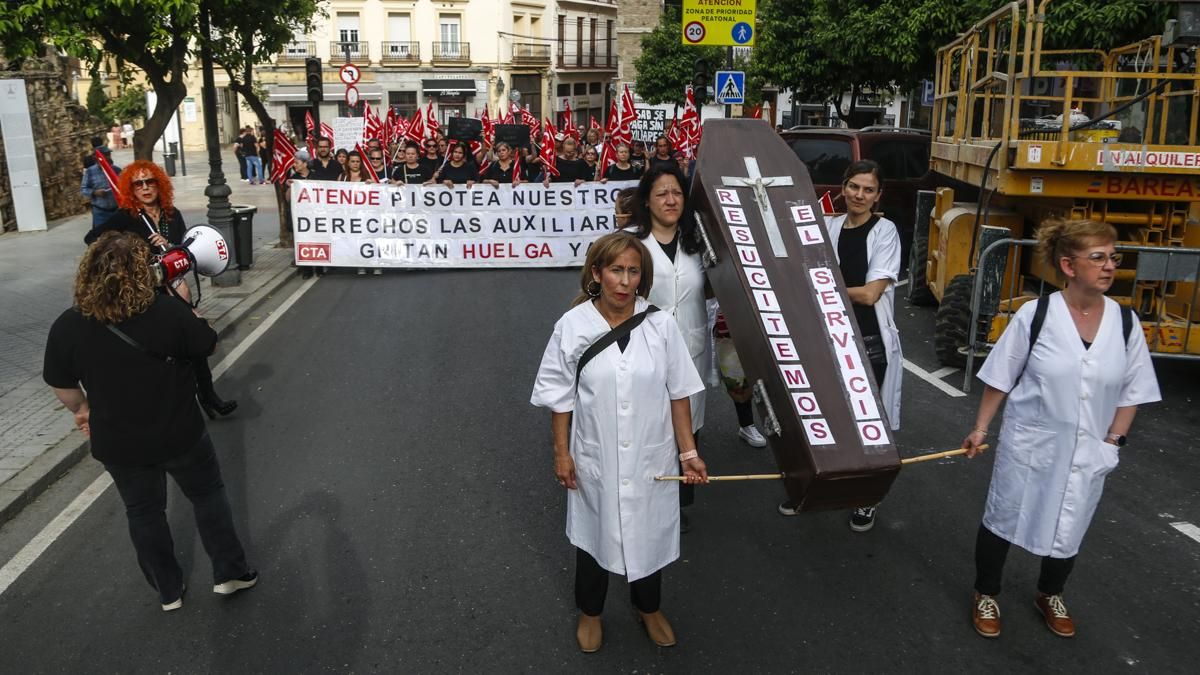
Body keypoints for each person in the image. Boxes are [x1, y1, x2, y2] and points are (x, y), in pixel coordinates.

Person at [961, 219, 1159, 640]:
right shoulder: (1036, 315)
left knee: (1071, 521)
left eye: (1114, 257)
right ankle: (986, 592)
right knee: (1003, 516)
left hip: (1089, 449)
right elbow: (1000, 377)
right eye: (1098, 258)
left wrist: (1113, 442)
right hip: (1030, 443)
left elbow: (1134, 390)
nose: (1110, 266)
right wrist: (980, 428)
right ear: (1069, 266)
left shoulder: (1125, 323)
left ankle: (1050, 592)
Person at [43, 231, 258, 612]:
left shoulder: (67, 325)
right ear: (144, 272)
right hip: (180, 433)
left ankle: (168, 589)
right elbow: (207, 343)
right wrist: (187, 307)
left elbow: (62, 384)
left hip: (119, 442)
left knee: (143, 512)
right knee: (208, 496)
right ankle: (230, 572)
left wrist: (83, 411)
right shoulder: (167, 311)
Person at [531, 231, 708, 653]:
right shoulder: (573, 326)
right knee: (594, 536)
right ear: (597, 273)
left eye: (633, 271)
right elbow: (559, 397)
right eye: (616, 270)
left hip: (651, 455)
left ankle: (648, 607)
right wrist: (562, 453)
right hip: (597, 454)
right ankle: (590, 612)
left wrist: (688, 453)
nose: (625, 281)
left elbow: (679, 393)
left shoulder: (660, 325)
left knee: (648, 533)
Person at [777, 160, 902, 530]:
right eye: (854, 186)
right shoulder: (828, 226)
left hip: (868, 340)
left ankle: (867, 498)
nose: (859, 195)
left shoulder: (885, 231)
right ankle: (809, 489)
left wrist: (819, 287)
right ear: (843, 187)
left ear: (878, 195)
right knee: (822, 420)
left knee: (869, 426)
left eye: (868, 189)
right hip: (826, 339)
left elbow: (870, 294)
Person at [84, 161, 239, 419]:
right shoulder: (126, 217)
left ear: (159, 184)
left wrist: (170, 244)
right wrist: (127, 250)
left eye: (150, 181)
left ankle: (208, 395)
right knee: (168, 352)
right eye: (138, 184)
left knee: (193, 340)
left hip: (175, 290)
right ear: (131, 189)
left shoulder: (171, 214)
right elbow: (92, 240)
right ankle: (179, 404)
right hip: (146, 296)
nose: (145, 188)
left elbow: (185, 249)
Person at [627, 164, 710, 532]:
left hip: (691, 349)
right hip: (642, 351)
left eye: (676, 192)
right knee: (646, 427)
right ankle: (642, 497)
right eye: (661, 193)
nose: (670, 200)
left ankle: (678, 502)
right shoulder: (631, 243)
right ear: (647, 201)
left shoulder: (701, 243)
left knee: (687, 426)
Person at [285, 151, 324, 279]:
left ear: (305, 164)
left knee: (317, 241)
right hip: (301, 218)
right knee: (304, 242)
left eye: (297, 162)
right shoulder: (294, 178)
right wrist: (290, 187)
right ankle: (307, 269)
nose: (295, 165)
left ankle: (319, 268)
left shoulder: (316, 176)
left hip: (315, 216)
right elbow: (288, 199)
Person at [81, 146, 120, 230]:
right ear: (97, 158)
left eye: (109, 154)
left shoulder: (117, 170)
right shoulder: (90, 172)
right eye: (105, 155)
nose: (108, 157)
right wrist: (94, 192)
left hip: (117, 211)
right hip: (100, 213)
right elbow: (83, 189)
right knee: (102, 235)